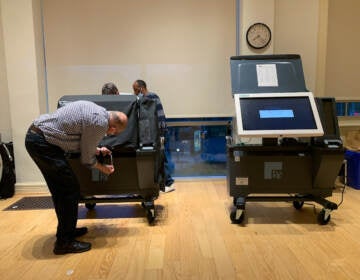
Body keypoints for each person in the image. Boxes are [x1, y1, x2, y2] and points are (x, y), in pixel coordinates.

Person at [25, 101, 128, 255]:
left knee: (61, 191)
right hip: (43, 144)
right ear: (113, 127)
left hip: (37, 138)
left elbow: (80, 140)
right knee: (70, 191)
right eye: (115, 133)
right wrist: (103, 168)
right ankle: (64, 243)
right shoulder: (100, 123)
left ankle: (67, 231)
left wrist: (97, 150)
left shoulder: (97, 111)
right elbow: (86, 160)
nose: (111, 134)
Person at [132, 79, 175, 193]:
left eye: (135, 90)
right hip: (158, 132)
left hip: (158, 132)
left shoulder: (150, 97)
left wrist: (161, 133)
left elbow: (157, 116)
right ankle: (166, 182)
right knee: (161, 157)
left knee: (161, 157)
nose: (134, 92)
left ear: (141, 88)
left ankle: (167, 182)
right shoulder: (148, 97)